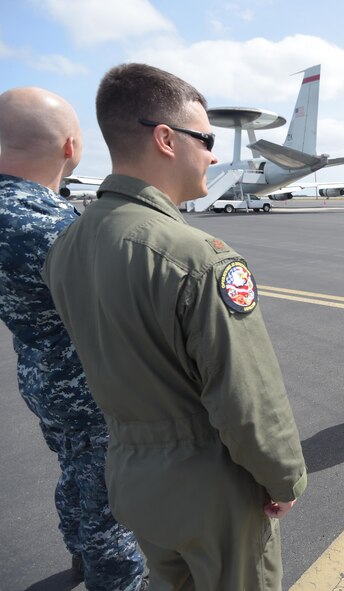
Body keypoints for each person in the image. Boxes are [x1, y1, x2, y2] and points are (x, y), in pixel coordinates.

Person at [42, 64, 308, 589]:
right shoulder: (195, 257)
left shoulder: (68, 245)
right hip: (209, 486)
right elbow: (246, 396)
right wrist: (283, 476)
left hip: (133, 477)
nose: (213, 152)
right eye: (206, 137)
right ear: (166, 138)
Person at [0, 87, 146, 590]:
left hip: (41, 375)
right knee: (109, 496)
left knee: (74, 469)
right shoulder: (53, 226)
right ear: (70, 147)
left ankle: (80, 553)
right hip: (86, 387)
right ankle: (116, 578)